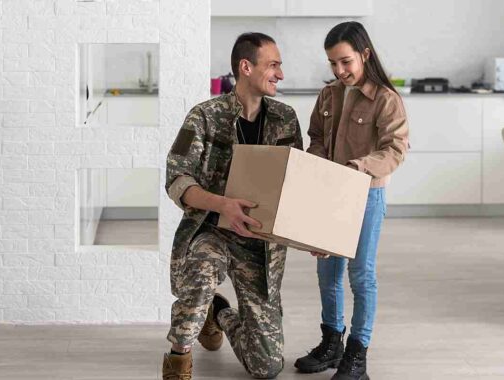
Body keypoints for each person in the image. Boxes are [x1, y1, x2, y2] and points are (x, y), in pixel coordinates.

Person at [162, 32, 303, 380]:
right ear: (246, 67)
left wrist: (316, 236)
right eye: (273, 65)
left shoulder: (286, 119)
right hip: (213, 232)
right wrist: (222, 205)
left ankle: (220, 313)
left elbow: (300, 184)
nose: (280, 74)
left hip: (261, 248)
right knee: (202, 270)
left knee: (267, 368)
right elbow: (177, 181)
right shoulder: (205, 116)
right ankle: (178, 358)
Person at [294, 21, 409, 380]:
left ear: (365, 55)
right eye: (332, 63)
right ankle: (332, 343)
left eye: (345, 61)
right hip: (329, 193)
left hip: (366, 195)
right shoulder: (328, 95)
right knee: (327, 272)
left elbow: (395, 149)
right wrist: (317, 163)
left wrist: (355, 167)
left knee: (361, 275)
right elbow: (315, 136)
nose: (339, 71)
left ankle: (357, 355)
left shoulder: (387, 100)